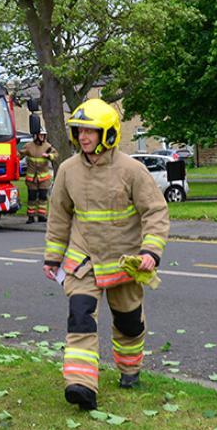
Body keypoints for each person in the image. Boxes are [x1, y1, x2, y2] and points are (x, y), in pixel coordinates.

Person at [42, 98, 169, 411]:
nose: (83, 136)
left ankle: (130, 371)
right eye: (80, 130)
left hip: (125, 263)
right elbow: (59, 216)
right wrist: (52, 257)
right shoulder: (68, 171)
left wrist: (151, 250)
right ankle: (81, 385)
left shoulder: (132, 170)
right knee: (80, 317)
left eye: (91, 131)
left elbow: (155, 211)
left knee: (128, 323)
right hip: (83, 263)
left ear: (108, 134)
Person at [20, 128, 57, 223]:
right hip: (31, 178)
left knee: (43, 197)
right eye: (40, 135)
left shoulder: (47, 146)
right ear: (36, 136)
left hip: (44, 178)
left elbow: (55, 154)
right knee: (31, 197)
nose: (42, 137)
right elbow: (20, 154)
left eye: (43, 135)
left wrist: (49, 156)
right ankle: (31, 217)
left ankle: (42, 216)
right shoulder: (29, 146)